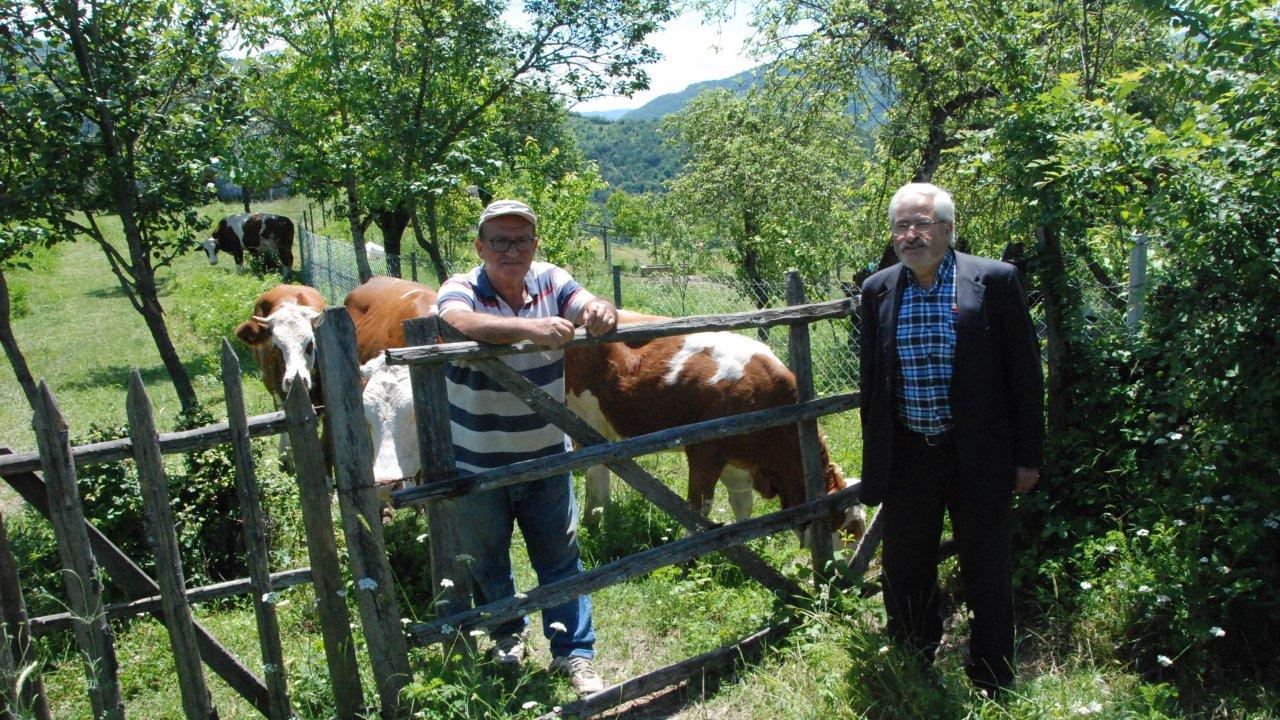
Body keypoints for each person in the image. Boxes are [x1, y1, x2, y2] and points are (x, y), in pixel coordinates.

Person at [858, 182, 1044, 696]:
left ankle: (991, 677)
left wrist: (1028, 457)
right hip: (909, 455)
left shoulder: (996, 281)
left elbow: (1026, 376)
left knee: (987, 565)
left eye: (921, 224)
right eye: (901, 225)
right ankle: (914, 662)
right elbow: (873, 384)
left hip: (978, 456)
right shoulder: (877, 290)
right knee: (906, 566)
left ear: (948, 229)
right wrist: (878, 459)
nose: (910, 235)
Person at [435, 199, 617, 696]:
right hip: (478, 459)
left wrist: (598, 309)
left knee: (560, 557)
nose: (511, 249)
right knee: (489, 558)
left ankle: (574, 655)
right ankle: (506, 639)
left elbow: (585, 303)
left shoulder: (552, 280)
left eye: (521, 240)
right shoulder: (462, 287)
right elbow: (459, 323)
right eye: (500, 240)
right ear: (480, 247)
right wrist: (529, 328)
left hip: (544, 454)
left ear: (535, 245)